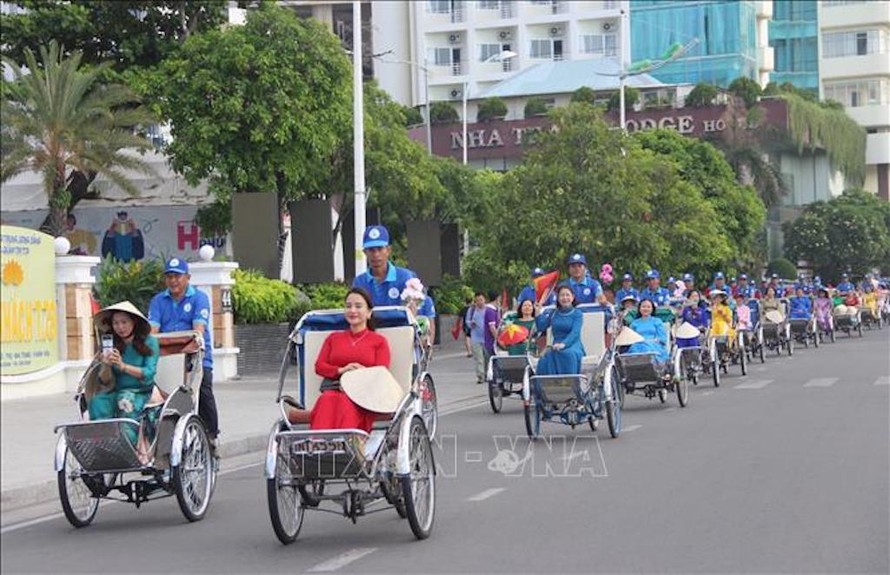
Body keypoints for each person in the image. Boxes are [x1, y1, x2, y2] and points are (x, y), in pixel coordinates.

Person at [148, 257, 219, 446]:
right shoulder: (158, 301)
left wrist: (190, 342)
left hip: (196, 356)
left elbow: (198, 330)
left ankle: (211, 435)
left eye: (177, 276)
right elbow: (152, 330)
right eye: (169, 276)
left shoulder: (199, 298)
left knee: (203, 390)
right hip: (168, 357)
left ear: (187, 277)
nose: (173, 281)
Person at [309, 288, 392, 433]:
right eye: (348, 306)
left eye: (358, 306)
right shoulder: (333, 338)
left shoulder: (378, 341)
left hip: (363, 394)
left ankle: (347, 444)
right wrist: (341, 370)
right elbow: (319, 366)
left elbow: (381, 372)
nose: (352, 310)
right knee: (326, 399)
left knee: (347, 402)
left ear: (369, 313)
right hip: (335, 387)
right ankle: (318, 443)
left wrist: (360, 374)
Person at [89, 302, 160, 452]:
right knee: (97, 401)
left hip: (141, 392)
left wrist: (123, 367)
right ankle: (102, 446)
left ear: (133, 322)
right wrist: (106, 365)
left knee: (124, 399)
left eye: (124, 322)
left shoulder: (150, 342)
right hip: (117, 391)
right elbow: (105, 381)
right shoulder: (112, 345)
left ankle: (127, 446)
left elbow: (148, 373)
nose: (120, 327)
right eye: (115, 323)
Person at [352, 225, 419, 306]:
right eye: (371, 250)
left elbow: (416, 310)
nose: (376, 254)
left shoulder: (405, 277)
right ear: (365, 252)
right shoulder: (359, 282)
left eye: (380, 249)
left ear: (388, 250)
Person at [535, 285, 585, 376]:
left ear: (572, 297)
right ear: (558, 298)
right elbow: (541, 327)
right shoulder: (554, 313)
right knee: (545, 358)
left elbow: (575, 333)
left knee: (568, 354)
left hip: (573, 345)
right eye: (562, 295)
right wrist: (538, 314)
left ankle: (569, 384)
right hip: (556, 345)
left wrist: (564, 344)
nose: (565, 298)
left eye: (567, 295)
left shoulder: (577, 314)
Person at [467, 292, 499, 384]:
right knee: (479, 358)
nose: (479, 302)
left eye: (481, 300)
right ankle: (480, 376)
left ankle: (486, 375)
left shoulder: (488, 310)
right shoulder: (472, 310)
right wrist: (470, 324)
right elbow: (467, 321)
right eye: (477, 300)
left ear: (485, 300)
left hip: (486, 338)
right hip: (475, 338)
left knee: (487, 358)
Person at [626, 299, 669, 363]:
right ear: (639, 308)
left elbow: (662, 338)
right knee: (634, 349)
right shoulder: (634, 323)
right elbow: (630, 338)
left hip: (654, 345)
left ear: (652, 309)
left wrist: (654, 341)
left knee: (647, 349)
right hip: (637, 345)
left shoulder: (657, 321)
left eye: (648, 307)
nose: (646, 309)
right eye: (643, 307)